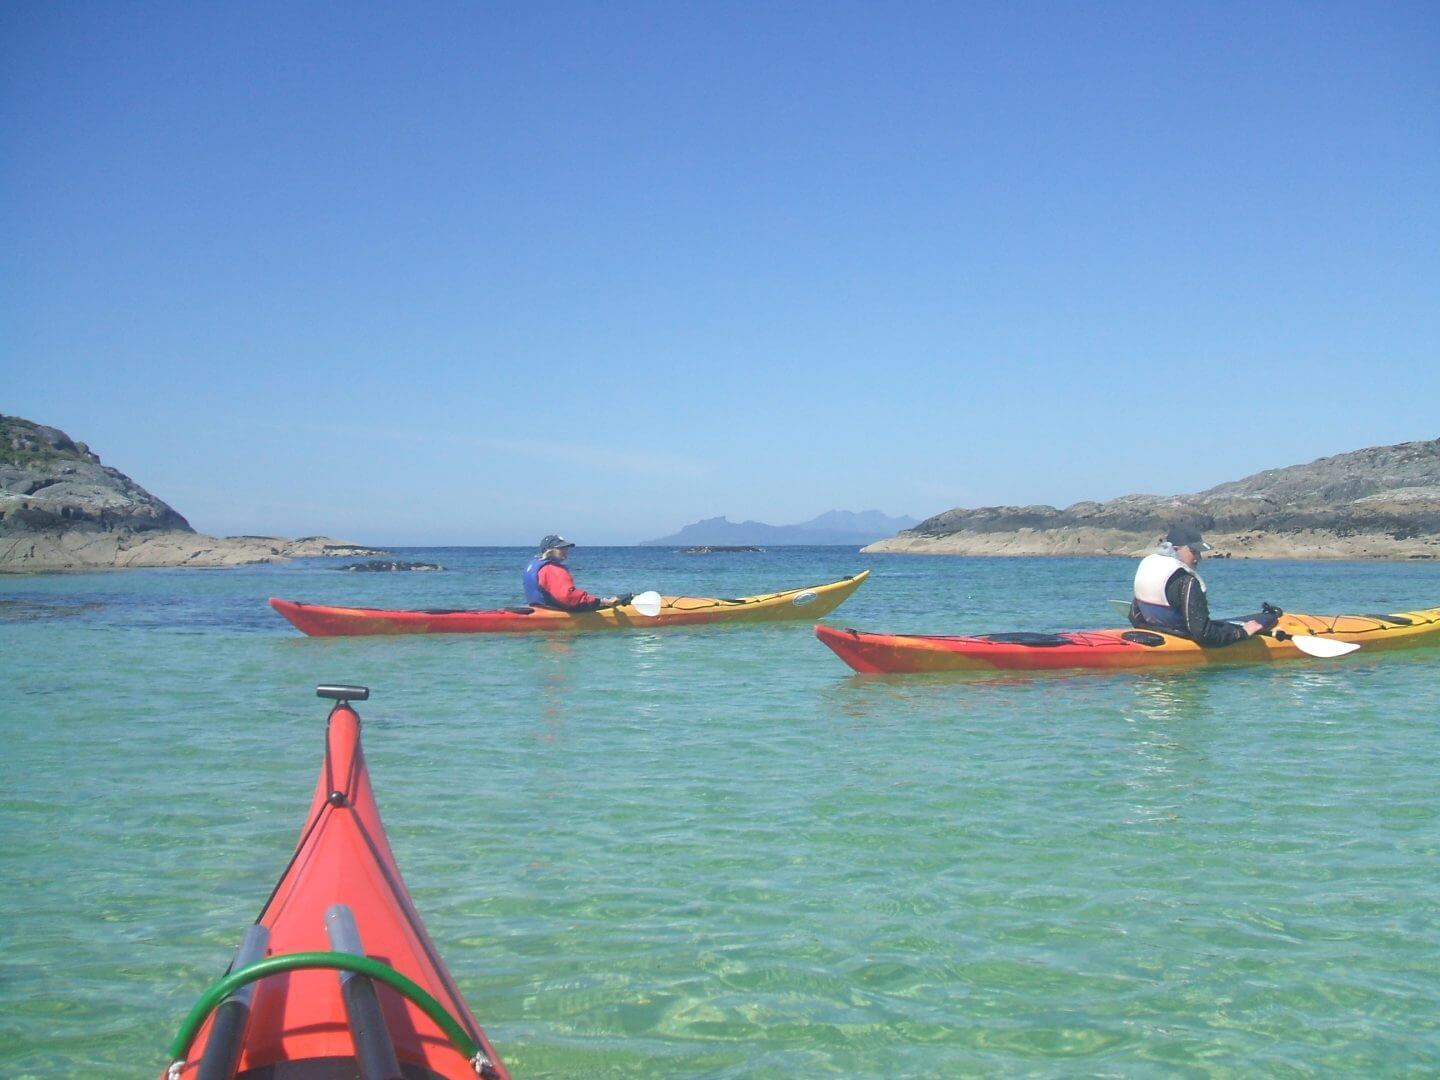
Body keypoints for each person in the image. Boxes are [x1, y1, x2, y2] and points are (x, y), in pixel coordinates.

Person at [1129, 525, 1279, 645]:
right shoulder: (1187, 581)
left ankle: (1270, 616)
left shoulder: (1148, 566)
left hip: (1157, 631)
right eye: (1194, 552)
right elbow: (1203, 634)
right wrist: (1243, 633)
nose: (1198, 558)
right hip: (1183, 635)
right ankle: (1271, 616)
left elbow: (1134, 617)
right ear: (1175, 550)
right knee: (1260, 621)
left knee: (1228, 623)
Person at [522, 535, 631, 611]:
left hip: (542, 608)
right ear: (549, 550)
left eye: (566, 548)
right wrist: (603, 602)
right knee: (625, 599)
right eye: (560, 548)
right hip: (558, 610)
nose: (565, 551)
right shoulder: (552, 569)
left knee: (620, 598)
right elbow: (569, 597)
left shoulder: (536, 564)